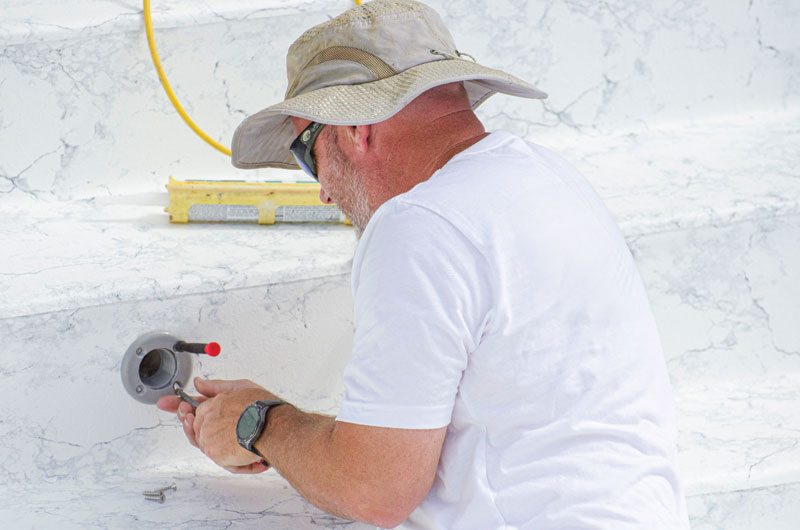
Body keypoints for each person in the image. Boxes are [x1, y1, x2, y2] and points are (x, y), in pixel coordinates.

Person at [158, 1, 690, 528]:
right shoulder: (548, 177)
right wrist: (290, 434)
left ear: (355, 128)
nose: (321, 191)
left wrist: (258, 422)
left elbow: (375, 491)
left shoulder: (420, 225)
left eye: (305, 153)